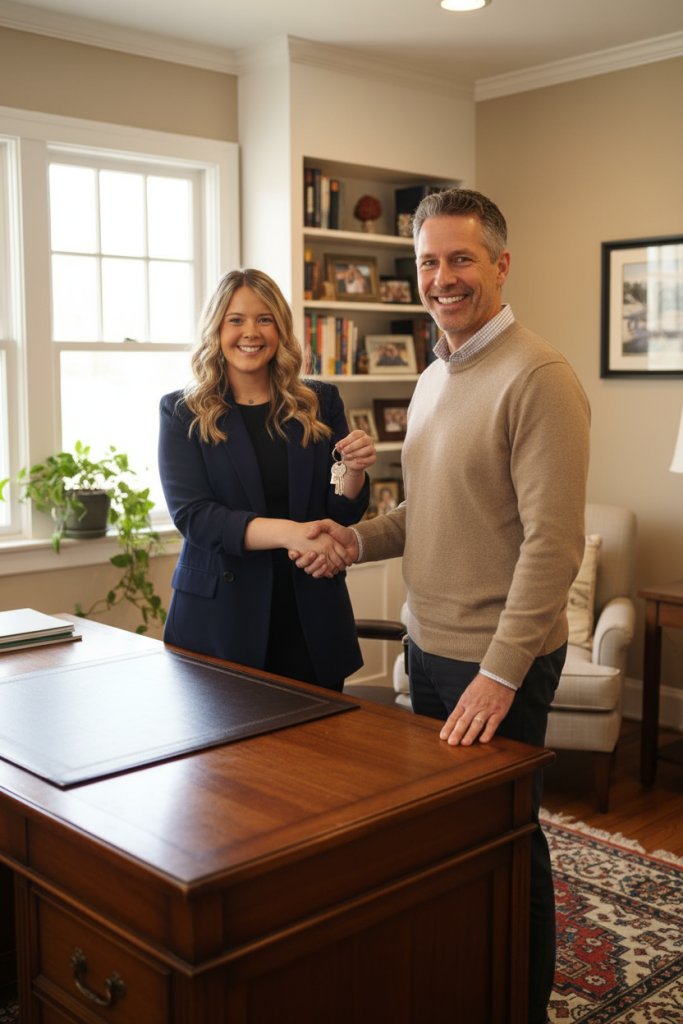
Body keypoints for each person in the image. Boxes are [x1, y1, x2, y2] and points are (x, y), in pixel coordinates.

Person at [295, 189, 591, 1023]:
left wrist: (498, 676)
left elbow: (552, 546)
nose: (441, 278)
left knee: (505, 849)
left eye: (460, 259)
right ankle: (460, 984)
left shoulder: (538, 377)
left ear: (500, 264)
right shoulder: (432, 376)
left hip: (494, 664)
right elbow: (427, 514)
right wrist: (355, 541)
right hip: (426, 652)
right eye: (428, 261)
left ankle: (518, 1006)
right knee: (443, 849)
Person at [158, 268, 376, 692]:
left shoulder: (319, 401)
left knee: (320, 752)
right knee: (223, 758)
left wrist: (354, 471)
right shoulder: (181, 411)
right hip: (220, 620)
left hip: (309, 611)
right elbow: (195, 518)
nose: (250, 332)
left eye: (264, 319)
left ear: (280, 328)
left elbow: (340, 510)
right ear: (216, 329)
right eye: (235, 319)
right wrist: (291, 534)